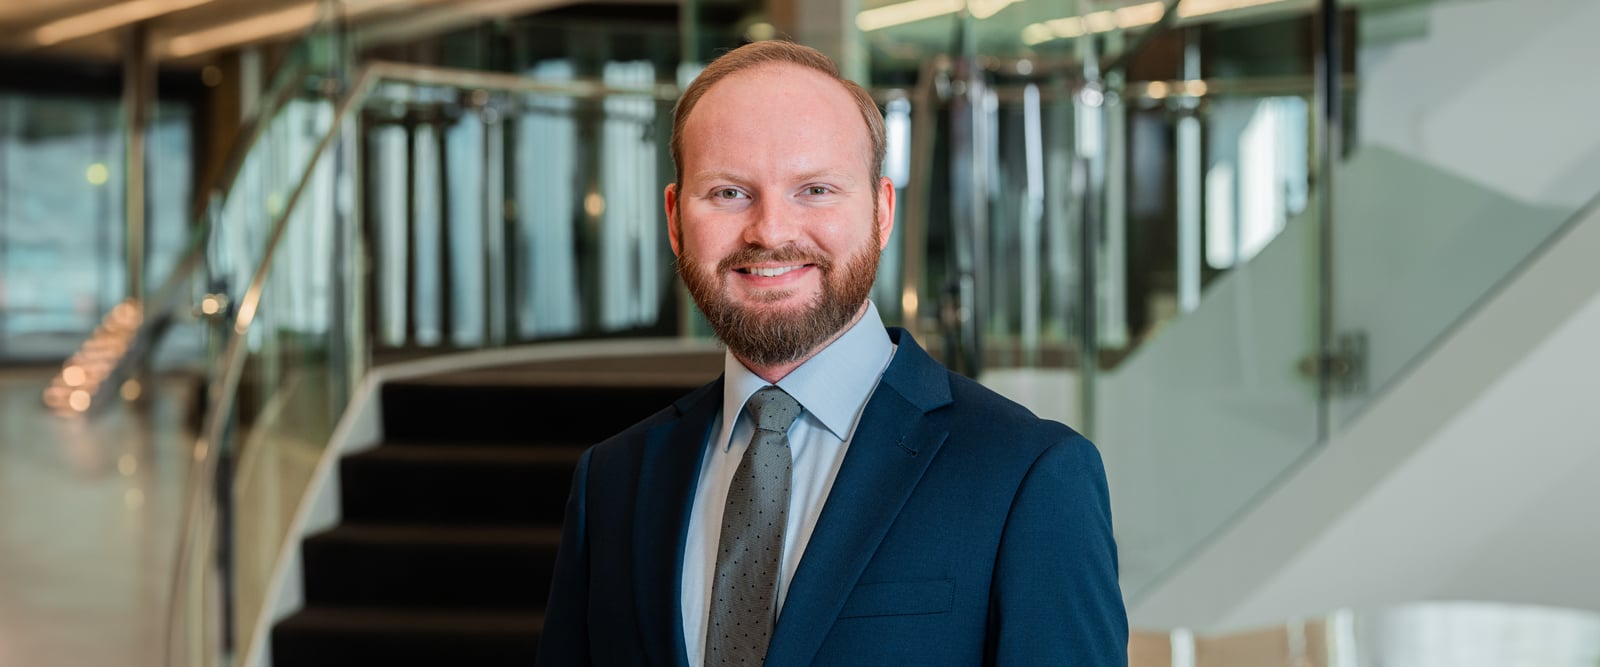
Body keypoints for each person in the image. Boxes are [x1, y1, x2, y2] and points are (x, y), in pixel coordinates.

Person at [537, 40, 1126, 666]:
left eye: (815, 189)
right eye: (729, 193)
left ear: (882, 212)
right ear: (676, 219)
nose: (771, 231)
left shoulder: (1028, 475)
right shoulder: (614, 480)